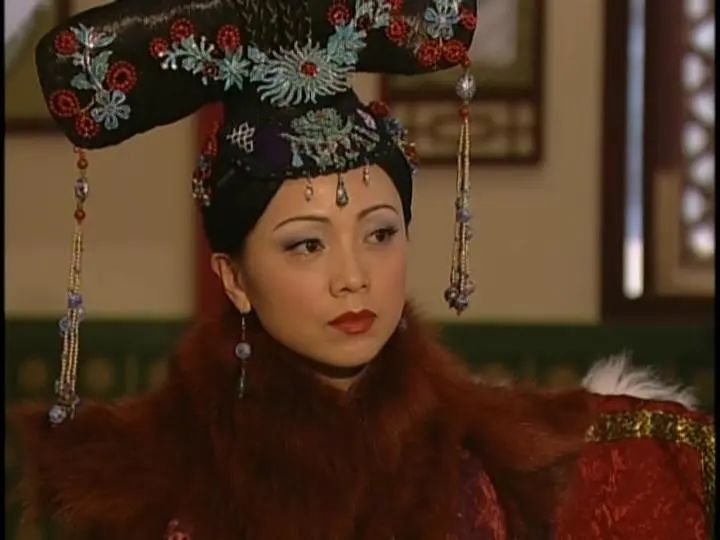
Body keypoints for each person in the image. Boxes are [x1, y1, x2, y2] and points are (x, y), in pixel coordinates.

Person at [10, 1, 714, 539]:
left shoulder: (513, 463)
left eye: (379, 233)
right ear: (234, 278)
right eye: (306, 245)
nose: (354, 276)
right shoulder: (146, 487)